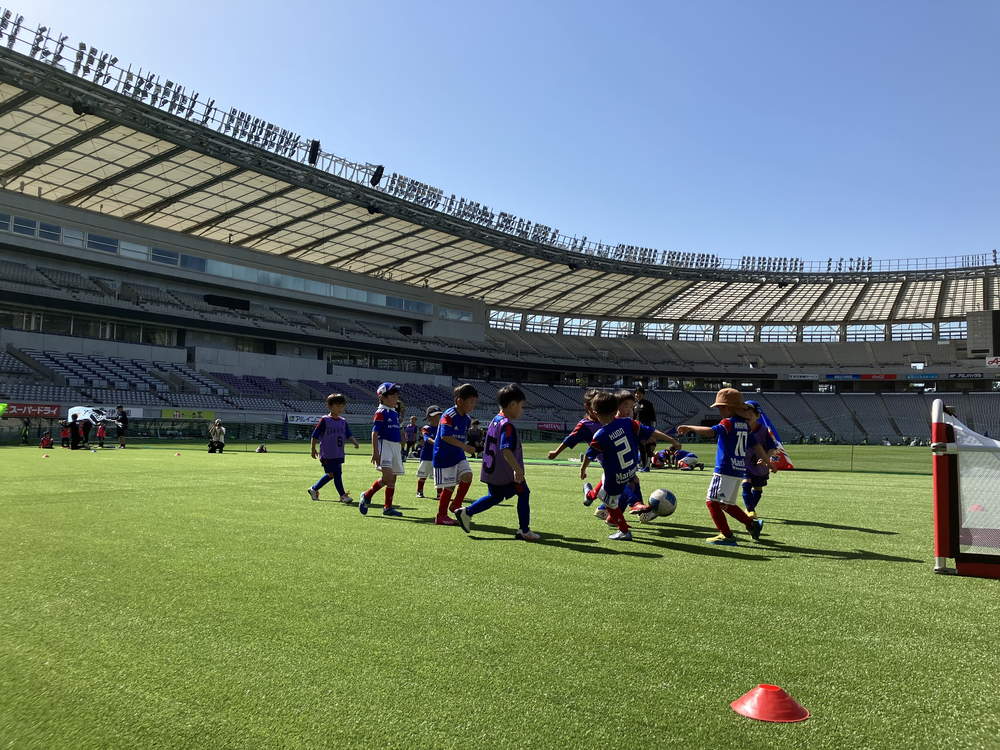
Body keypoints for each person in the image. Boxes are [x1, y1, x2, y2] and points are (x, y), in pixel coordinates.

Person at [580, 391, 678, 541]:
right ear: (615, 410)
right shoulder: (628, 422)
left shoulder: (600, 435)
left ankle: (624, 531)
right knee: (606, 481)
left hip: (616, 476)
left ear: (596, 413)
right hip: (631, 469)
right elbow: (652, 431)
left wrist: (583, 469)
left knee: (610, 504)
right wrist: (672, 440)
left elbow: (589, 455)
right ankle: (590, 496)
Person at [677, 388, 767, 546]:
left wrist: (691, 428)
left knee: (711, 501)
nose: (719, 411)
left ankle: (726, 535)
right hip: (738, 471)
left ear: (728, 408)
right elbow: (757, 445)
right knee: (726, 504)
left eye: (720, 408)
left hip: (724, 469)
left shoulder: (728, 422)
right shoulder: (745, 425)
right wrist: (768, 461)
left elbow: (711, 431)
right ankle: (751, 525)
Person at [455, 384, 538, 540]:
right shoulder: (507, 425)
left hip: (491, 470)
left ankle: (466, 512)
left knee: (495, 497)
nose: (521, 410)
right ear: (512, 404)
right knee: (524, 493)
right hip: (504, 472)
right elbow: (505, 449)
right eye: (521, 406)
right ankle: (524, 530)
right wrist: (517, 469)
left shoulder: (495, 420)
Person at [431, 383, 479, 526]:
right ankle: (441, 516)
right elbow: (445, 436)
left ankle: (456, 504)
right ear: (459, 401)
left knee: (468, 475)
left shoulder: (467, 419)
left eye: (474, 403)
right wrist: (465, 447)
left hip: (458, 455)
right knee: (449, 486)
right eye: (471, 402)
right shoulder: (448, 415)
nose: (473, 406)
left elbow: (462, 436)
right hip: (444, 456)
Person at [359, 383, 405, 517]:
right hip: (384, 445)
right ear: (382, 397)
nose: (396, 399)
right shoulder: (380, 412)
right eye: (393, 396)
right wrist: (375, 451)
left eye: (397, 396)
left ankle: (388, 507)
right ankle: (367, 496)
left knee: (393, 478)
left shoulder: (394, 413)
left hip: (395, 446)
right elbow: (375, 432)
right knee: (388, 477)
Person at [308, 393, 360, 503]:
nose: (340, 408)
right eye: (337, 406)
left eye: (342, 406)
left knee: (331, 474)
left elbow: (348, 433)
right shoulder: (325, 420)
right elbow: (315, 435)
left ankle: (314, 489)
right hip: (328, 454)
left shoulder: (343, 421)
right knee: (337, 473)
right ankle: (342, 495)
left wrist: (354, 441)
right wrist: (313, 448)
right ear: (329, 407)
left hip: (339, 453)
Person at [742, 401, 779, 519]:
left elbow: (772, 447)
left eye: (751, 414)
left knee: (757, 490)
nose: (747, 417)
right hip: (745, 464)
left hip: (760, 467)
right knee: (746, 483)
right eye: (745, 414)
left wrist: (766, 460)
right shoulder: (740, 428)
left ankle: (749, 508)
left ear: (758, 416)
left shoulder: (763, 430)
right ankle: (751, 510)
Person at [547, 388, 600, 461]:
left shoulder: (610, 418)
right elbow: (570, 439)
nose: (598, 409)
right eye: (594, 405)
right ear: (587, 407)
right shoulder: (585, 425)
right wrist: (556, 452)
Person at [416, 405, 442, 499]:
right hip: (426, 456)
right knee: (423, 475)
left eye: (439, 417)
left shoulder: (441, 428)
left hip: (437, 456)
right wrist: (437, 443)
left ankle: (440, 493)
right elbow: (427, 438)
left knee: (438, 476)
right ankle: (419, 491)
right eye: (435, 417)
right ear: (428, 418)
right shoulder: (426, 428)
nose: (437, 419)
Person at [632, 387, 656, 471]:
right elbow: (634, 418)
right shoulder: (634, 405)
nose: (637, 395)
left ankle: (648, 466)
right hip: (638, 429)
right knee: (641, 448)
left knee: (647, 447)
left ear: (643, 394)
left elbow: (653, 418)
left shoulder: (648, 404)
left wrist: (653, 431)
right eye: (636, 393)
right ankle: (643, 465)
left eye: (639, 393)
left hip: (646, 428)